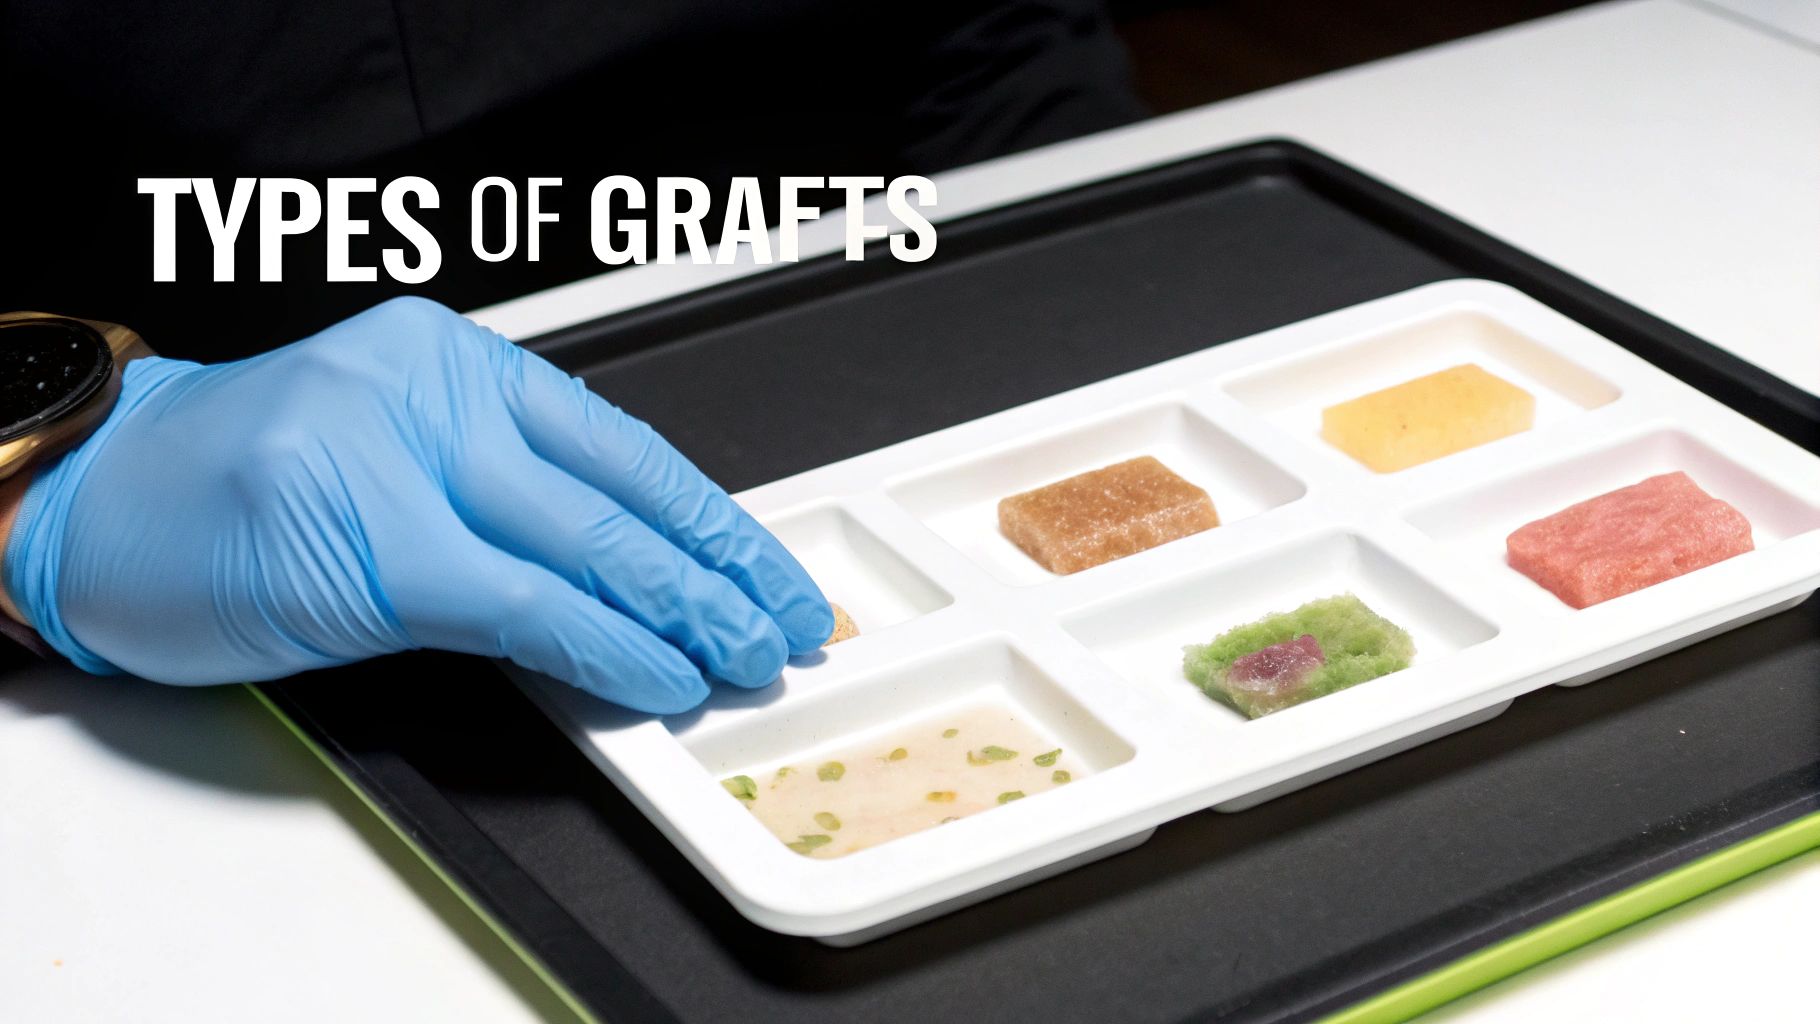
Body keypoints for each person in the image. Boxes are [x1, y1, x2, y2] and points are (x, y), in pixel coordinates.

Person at [0, 0, 1146, 711]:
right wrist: (30, 502)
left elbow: (1002, 47)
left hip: (840, 303)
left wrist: (1077, 275)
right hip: (183, 500)